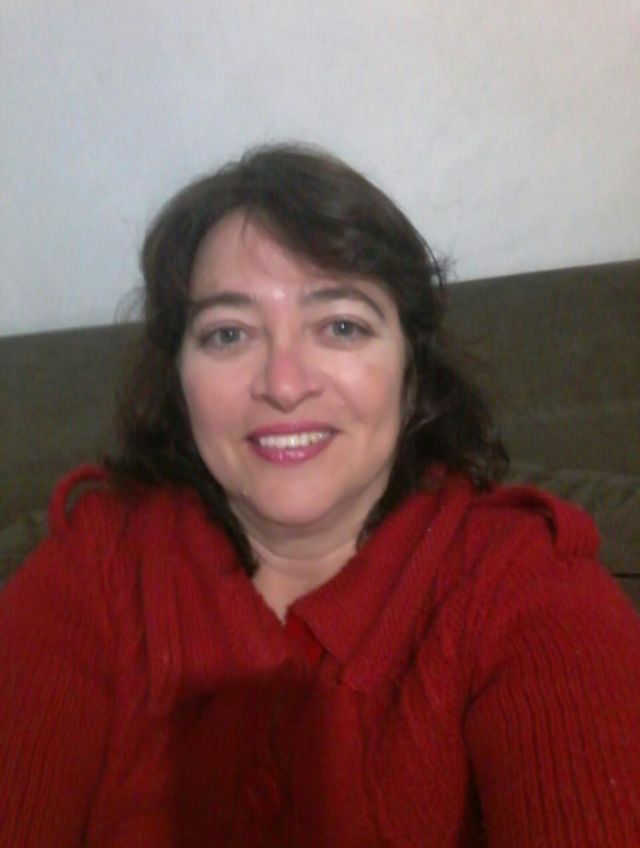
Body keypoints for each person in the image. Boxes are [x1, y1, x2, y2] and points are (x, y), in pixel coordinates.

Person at [1, 144, 639, 847]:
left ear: (411, 374)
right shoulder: (96, 564)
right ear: (180, 384)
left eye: (341, 326)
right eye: (228, 333)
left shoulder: (523, 582)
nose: (284, 383)